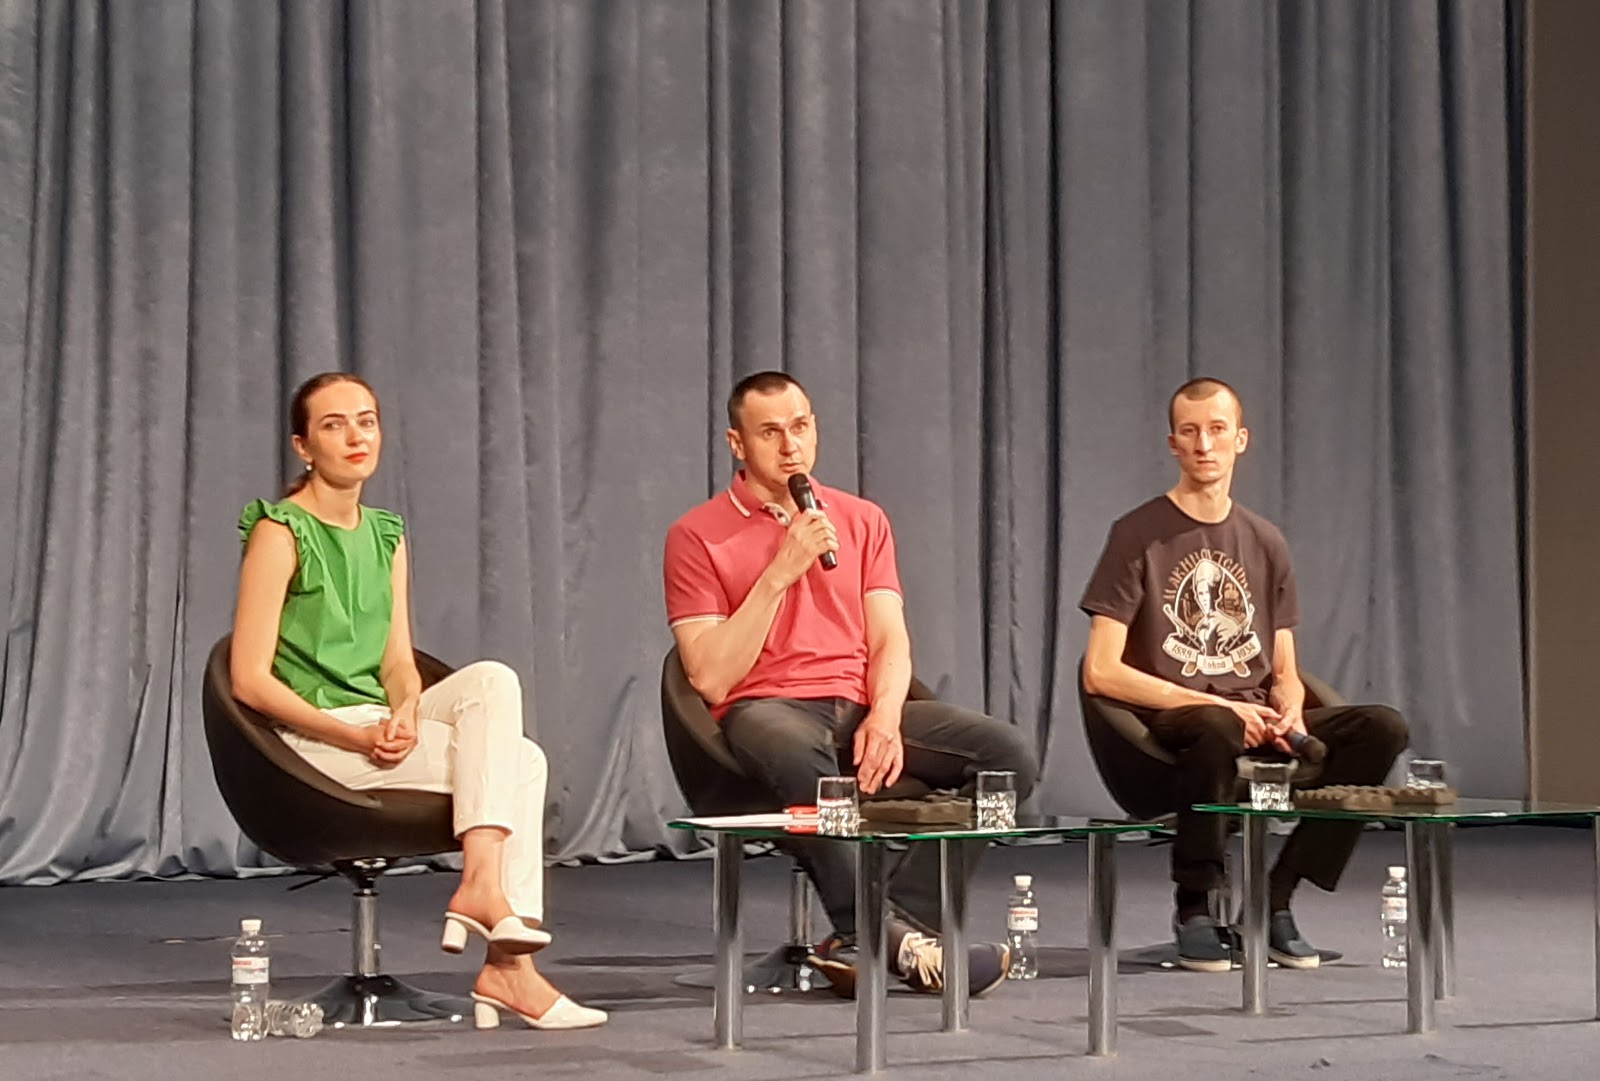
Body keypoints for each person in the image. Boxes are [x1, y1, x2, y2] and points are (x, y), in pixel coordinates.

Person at [230, 372, 606, 1030]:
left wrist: (405, 707)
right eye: (334, 424)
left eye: (366, 420)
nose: (355, 436)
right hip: (316, 743)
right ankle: (507, 962)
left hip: (378, 723)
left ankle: (485, 893)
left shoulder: (386, 533)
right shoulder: (280, 531)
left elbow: (398, 661)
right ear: (303, 445)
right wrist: (354, 736)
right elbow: (249, 680)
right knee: (521, 763)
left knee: (492, 679)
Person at [663, 370, 1038, 998]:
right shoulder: (696, 534)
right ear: (737, 443)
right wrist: (780, 570)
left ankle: (892, 929)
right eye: (771, 432)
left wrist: (887, 715)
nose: (791, 446)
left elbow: (890, 638)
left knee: (1008, 756)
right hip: (767, 708)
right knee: (791, 747)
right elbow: (707, 673)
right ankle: (885, 936)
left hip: (860, 703)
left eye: (802, 427)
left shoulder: (862, 520)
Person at [1080, 376, 1409, 972]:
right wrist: (1222, 708)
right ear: (1173, 444)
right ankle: (1196, 907)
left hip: (1254, 712)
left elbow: (1283, 664)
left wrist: (1285, 705)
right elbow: (1101, 672)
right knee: (1213, 725)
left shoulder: (1265, 541)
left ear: (1241, 439)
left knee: (1382, 727)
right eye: (1190, 431)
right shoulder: (1136, 535)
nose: (1204, 444)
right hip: (1176, 720)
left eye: (1217, 430)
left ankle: (1273, 898)